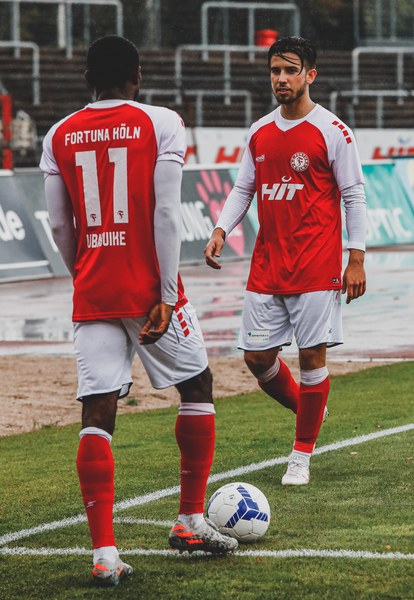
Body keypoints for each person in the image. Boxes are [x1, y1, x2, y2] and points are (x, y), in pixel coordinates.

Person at [40, 34, 237, 587]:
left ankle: (104, 555)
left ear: (87, 79)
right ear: (138, 76)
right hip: (150, 288)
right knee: (197, 385)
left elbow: (59, 225)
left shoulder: (58, 134)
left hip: (94, 289)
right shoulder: (162, 122)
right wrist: (167, 294)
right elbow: (166, 213)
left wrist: (83, 273)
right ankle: (190, 521)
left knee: (97, 412)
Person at [205, 36, 367, 487]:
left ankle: (301, 456)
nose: (281, 78)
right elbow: (244, 188)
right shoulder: (259, 131)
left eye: (291, 70)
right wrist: (220, 229)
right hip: (267, 266)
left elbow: (354, 195)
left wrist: (356, 257)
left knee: (311, 357)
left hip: (316, 265)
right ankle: (309, 410)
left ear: (309, 75)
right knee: (257, 358)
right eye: (275, 70)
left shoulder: (333, 131)